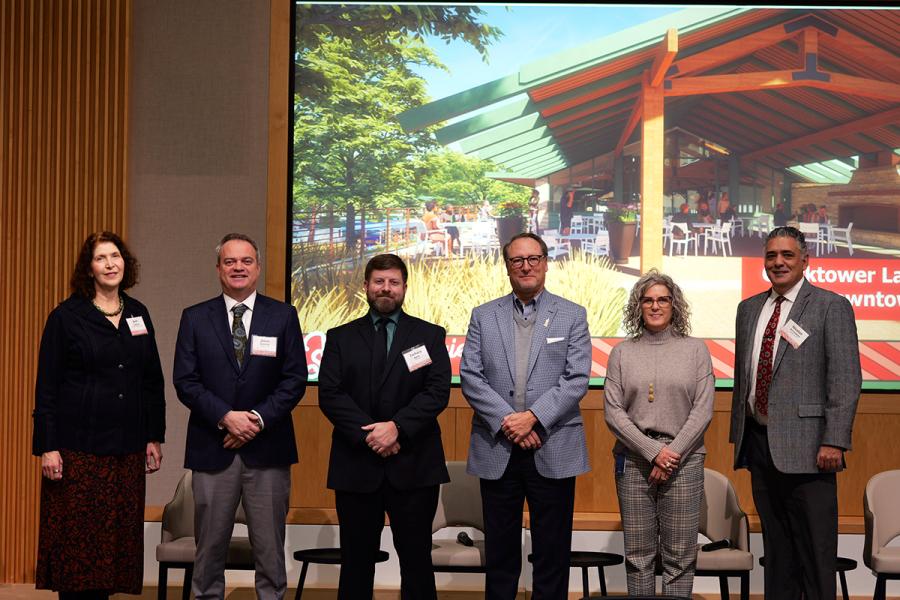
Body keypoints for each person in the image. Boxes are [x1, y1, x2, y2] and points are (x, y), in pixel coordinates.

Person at [173, 233, 307, 600]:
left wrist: (254, 421)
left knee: (269, 550)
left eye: (246, 261)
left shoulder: (283, 316)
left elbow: (294, 379)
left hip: (268, 450)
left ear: (258, 267)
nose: (238, 268)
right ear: (218, 268)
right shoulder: (195, 317)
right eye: (230, 261)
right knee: (209, 550)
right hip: (213, 449)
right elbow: (185, 381)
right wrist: (226, 418)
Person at [730, 226, 861, 600]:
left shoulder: (830, 306)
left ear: (805, 260)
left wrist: (834, 439)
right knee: (777, 552)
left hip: (811, 450)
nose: (778, 262)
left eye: (787, 255)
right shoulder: (749, 309)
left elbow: (846, 378)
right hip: (759, 444)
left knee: (816, 554)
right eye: (771, 255)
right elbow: (746, 377)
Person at [33, 231, 165, 600]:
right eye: (101, 258)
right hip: (79, 453)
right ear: (88, 269)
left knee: (113, 556)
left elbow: (152, 381)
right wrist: (48, 447)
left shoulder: (138, 313)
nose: (110, 264)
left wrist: (154, 436)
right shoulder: (66, 316)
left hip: (126, 452)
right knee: (79, 556)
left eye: (116, 256)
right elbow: (47, 387)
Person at [460, 232, 591, 599]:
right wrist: (510, 422)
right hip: (498, 447)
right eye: (517, 260)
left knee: (552, 551)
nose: (526, 266)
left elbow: (576, 378)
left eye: (533, 258)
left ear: (546, 262)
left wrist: (532, 417)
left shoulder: (572, 314)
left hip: (554, 446)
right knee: (500, 553)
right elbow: (471, 376)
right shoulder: (484, 316)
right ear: (507, 267)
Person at [318, 253, 452, 599]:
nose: (386, 289)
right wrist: (373, 435)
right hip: (356, 466)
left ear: (405, 287)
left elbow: (436, 392)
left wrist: (397, 428)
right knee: (356, 563)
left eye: (393, 282)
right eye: (379, 281)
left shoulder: (430, 335)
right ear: (365, 286)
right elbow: (331, 395)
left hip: (414, 465)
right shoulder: (339, 337)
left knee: (417, 561)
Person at [604, 270, 714, 597]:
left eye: (662, 299)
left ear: (674, 305)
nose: (655, 306)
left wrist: (670, 454)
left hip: (684, 462)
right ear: (638, 306)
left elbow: (703, 409)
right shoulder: (622, 353)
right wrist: (653, 452)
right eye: (648, 300)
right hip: (634, 462)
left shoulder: (696, 350)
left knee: (679, 555)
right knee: (638, 556)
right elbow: (613, 412)